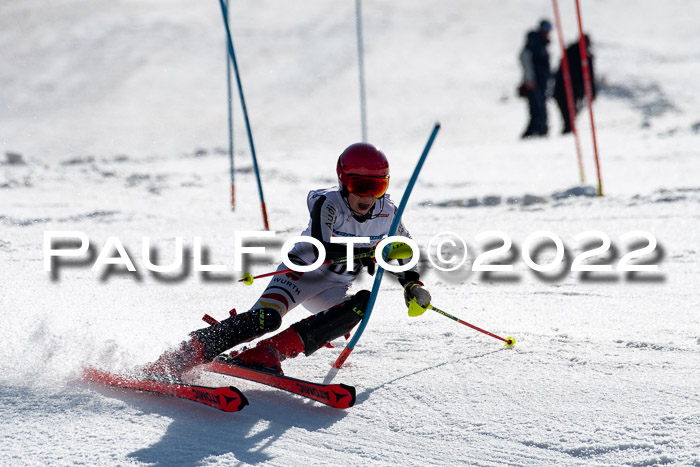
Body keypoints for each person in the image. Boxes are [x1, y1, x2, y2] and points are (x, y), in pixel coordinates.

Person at [142, 142, 432, 378]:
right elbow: (321, 248)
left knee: (362, 304)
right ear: (343, 181)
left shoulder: (389, 213)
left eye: (376, 187)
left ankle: (267, 353)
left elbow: (404, 251)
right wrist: (369, 251)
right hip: (301, 275)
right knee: (266, 319)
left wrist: (412, 286)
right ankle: (183, 354)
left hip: (335, 286)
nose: (367, 196)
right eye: (359, 185)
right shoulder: (328, 203)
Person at [553, 35, 596, 134]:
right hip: (563, 89)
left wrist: (592, 92)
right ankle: (568, 132)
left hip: (574, 91)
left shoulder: (586, 57)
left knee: (572, 116)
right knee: (568, 116)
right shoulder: (571, 53)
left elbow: (589, 77)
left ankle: (568, 131)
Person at [519, 19, 553, 138]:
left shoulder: (542, 43)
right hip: (535, 81)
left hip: (542, 81)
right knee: (537, 107)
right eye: (545, 27)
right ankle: (538, 131)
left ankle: (538, 130)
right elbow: (525, 58)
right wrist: (530, 78)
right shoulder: (534, 42)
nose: (547, 30)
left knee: (539, 106)